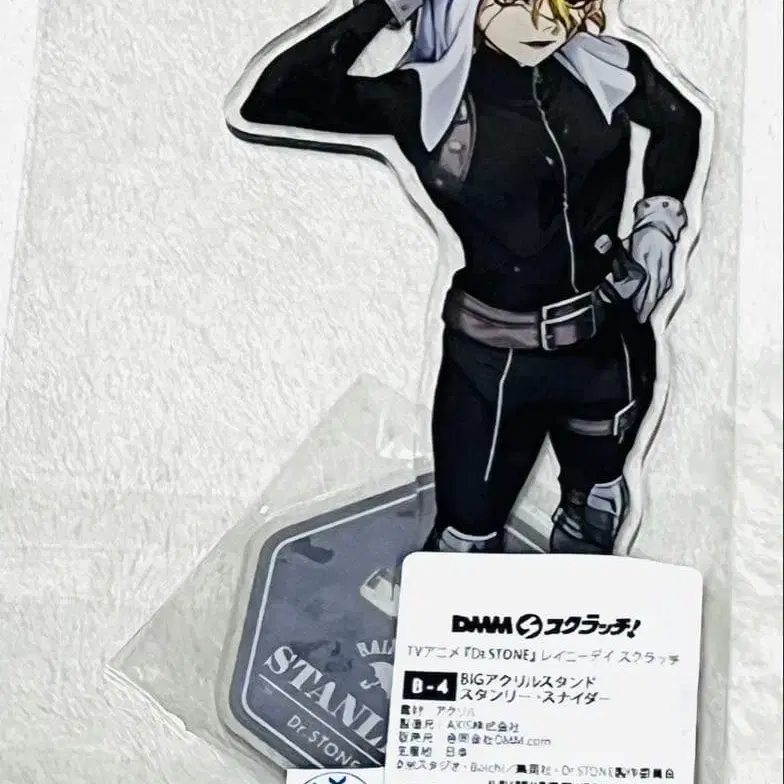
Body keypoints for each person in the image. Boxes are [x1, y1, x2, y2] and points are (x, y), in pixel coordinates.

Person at [230, 0, 703, 555]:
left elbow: (679, 119)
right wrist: (388, 6)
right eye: (513, 1)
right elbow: (271, 97)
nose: (545, 23)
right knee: (464, 543)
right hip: (492, 363)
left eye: (565, 3)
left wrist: (660, 218)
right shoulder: (425, 98)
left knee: (596, 511)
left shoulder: (603, 66)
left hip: (610, 348)